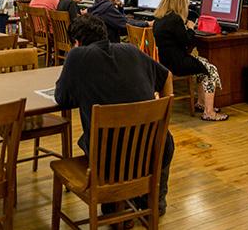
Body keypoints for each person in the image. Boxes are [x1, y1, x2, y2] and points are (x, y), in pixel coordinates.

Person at [54, 14, 175, 217]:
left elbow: (62, 98)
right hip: (155, 150)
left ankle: (118, 206)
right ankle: (152, 201)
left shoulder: (77, 57)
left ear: (76, 42)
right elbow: (166, 76)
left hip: (109, 160)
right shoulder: (131, 50)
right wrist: (164, 115)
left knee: (93, 141)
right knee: (159, 142)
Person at [153, 0, 228, 121]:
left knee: (203, 62)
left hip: (166, 62)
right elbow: (187, 42)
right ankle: (209, 112)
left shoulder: (159, 19)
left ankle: (201, 103)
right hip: (178, 63)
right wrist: (191, 28)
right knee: (210, 69)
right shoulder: (175, 19)